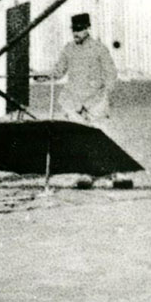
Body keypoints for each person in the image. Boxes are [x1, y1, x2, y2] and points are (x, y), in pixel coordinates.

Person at [52, 12, 130, 188]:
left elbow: (111, 74)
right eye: (74, 30)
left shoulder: (99, 49)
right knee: (80, 139)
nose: (76, 33)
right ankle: (86, 173)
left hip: (96, 102)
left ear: (88, 29)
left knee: (102, 137)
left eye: (79, 29)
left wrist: (104, 96)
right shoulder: (68, 49)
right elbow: (58, 71)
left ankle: (116, 174)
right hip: (75, 101)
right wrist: (42, 76)